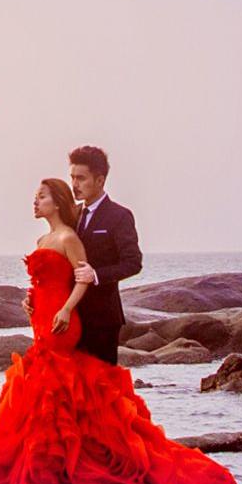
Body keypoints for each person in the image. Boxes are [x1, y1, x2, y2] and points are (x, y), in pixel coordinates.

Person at [0, 173, 239, 484]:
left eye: (42, 196)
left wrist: (66, 308)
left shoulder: (75, 233)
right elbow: (47, 280)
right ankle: (57, 463)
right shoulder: (50, 235)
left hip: (68, 320)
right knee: (45, 389)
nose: (35, 201)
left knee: (65, 385)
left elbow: (90, 275)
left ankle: (88, 460)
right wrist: (30, 302)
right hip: (43, 317)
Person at [64, 142, 141, 362]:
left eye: (81, 178)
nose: (74, 185)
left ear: (100, 180)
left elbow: (133, 263)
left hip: (103, 320)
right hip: (71, 316)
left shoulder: (119, 215)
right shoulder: (72, 214)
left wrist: (96, 275)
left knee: (102, 389)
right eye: (72, 177)